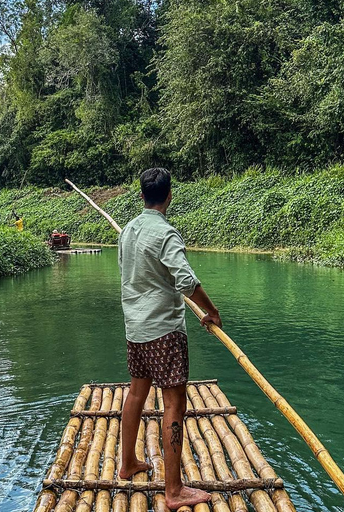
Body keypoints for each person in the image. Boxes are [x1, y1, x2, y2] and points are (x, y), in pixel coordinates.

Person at [117, 167, 222, 510]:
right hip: (163, 330)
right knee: (175, 403)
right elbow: (187, 282)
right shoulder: (166, 234)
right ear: (170, 195)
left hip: (135, 328)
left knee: (136, 392)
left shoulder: (129, 230)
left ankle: (127, 463)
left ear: (142, 195)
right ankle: (174, 491)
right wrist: (212, 311)